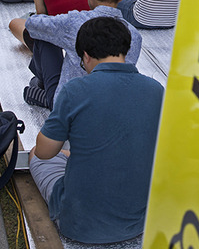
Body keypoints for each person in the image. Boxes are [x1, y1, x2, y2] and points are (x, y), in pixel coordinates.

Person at [29, 15, 162, 244]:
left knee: (36, 155)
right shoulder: (156, 90)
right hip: (136, 223)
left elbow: (44, 152)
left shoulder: (75, 91)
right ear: (124, 49)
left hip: (79, 224)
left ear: (86, 56)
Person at [9, 0, 141, 109]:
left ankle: (47, 94)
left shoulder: (75, 22)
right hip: (108, 105)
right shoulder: (134, 35)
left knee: (45, 35)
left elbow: (33, 25)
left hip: (69, 103)